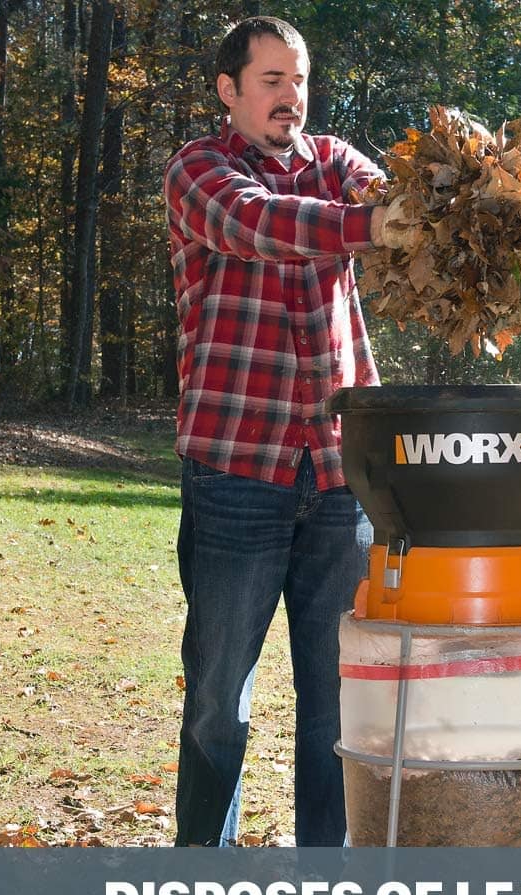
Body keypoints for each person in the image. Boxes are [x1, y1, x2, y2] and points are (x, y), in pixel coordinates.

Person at [163, 15, 405, 846]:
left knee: (337, 704)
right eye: (271, 81)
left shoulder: (336, 162)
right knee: (218, 700)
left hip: (338, 480)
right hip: (236, 475)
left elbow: (393, 197)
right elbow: (261, 224)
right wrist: (370, 226)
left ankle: (326, 883)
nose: (290, 97)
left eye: (298, 80)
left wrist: (440, 198)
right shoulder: (199, 171)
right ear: (228, 90)